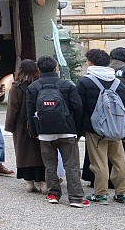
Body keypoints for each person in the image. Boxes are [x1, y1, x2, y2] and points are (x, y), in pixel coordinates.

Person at [25, 55, 87, 207]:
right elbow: (78, 108)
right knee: (71, 165)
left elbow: (29, 112)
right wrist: (76, 130)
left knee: (50, 165)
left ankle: (53, 194)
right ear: (55, 68)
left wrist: (34, 131)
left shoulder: (33, 87)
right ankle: (76, 198)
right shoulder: (67, 85)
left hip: (45, 133)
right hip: (67, 131)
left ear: (38, 69)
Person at [77, 48, 125, 204]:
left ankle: (101, 193)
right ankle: (122, 193)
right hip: (115, 127)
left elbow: (79, 108)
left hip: (95, 129)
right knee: (119, 160)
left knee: (99, 162)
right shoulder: (118, 84)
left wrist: (79, 130)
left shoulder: (85, 82)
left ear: (90, 62)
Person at [4, 59, 44, 193]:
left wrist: (10, 126)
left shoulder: (17, 86)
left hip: (22, 125)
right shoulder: (41, 84)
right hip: (40, 123)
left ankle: (30, 182)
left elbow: (12, 108)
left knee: (24, 151)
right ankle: (43, 181)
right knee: (40, 151)